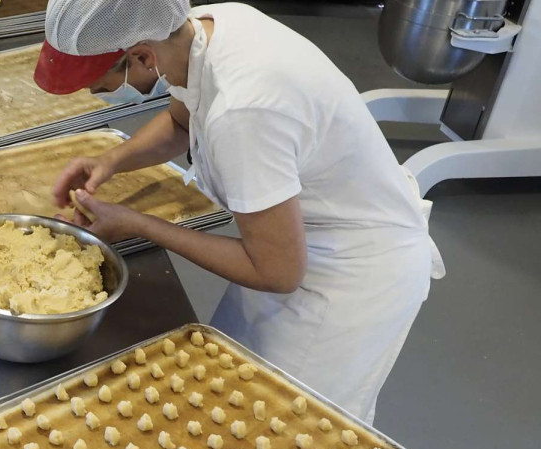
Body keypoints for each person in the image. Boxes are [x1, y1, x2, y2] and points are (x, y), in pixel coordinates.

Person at [34, 0, 445, 423]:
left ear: (142, 56)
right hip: (288, 237)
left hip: (350, 276)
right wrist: (111, 161)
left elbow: (277, 272)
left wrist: (138, 225)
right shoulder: (202, 29)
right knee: (226, 400)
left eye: (101, 85)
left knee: (284, 434)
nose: (95, 93)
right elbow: (181, 122)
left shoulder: (243, 111)